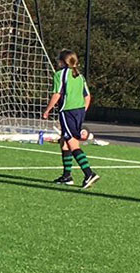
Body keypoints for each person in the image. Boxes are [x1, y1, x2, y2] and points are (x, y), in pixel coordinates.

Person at [42, 50, 98, 189]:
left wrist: (47, 110)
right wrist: (81, 111)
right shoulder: (79, 76)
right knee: (64, 142)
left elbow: (57, 94)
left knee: (72, 143)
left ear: (62, 62)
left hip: (67, 112)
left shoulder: (60, 75)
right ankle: (67, 176)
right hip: (78, 111)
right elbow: (87, 97)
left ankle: (89, 173)